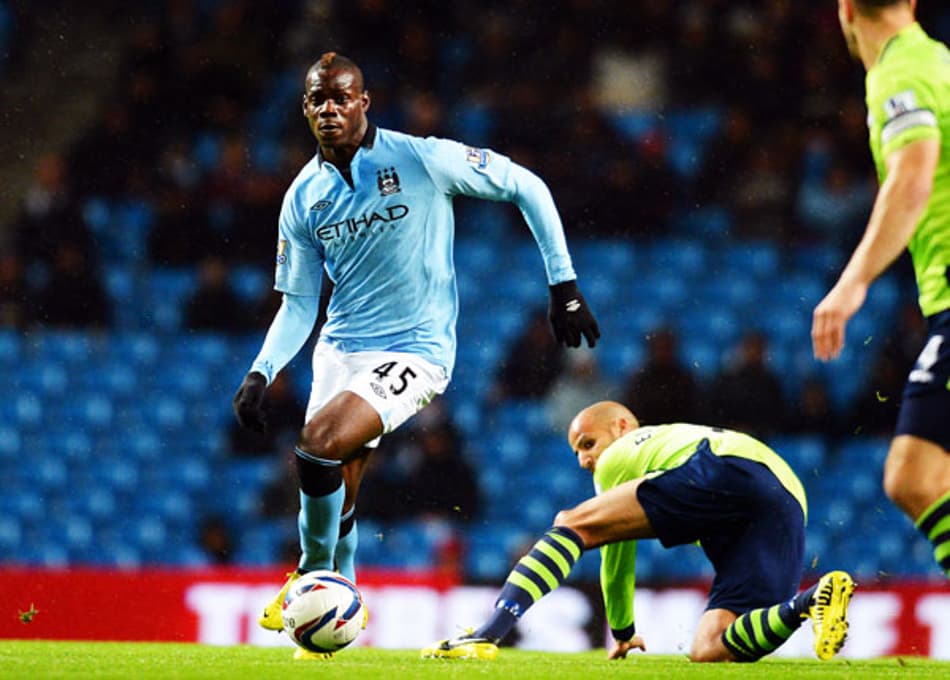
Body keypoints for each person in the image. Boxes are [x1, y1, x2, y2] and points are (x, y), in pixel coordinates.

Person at [230, 52, 600, 657]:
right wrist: (260, 371)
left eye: (341, 98)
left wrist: (563, 285)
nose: (330, 109)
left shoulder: (421, 157)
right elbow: (298, 304)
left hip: (417, 349)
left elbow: (525, 185)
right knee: (338, 477)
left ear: (363, 101)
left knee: (318, 443)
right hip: (339, 351)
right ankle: (334, 591)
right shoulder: (303, 197)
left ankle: (311, 572)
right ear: (305, 109)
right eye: (318, 100)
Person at [422, 401, 854, 663]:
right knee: (711, 646)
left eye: (587, 444)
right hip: (789, 499)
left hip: (722, 464)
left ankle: (487, 634)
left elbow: (615, 556)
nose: (584, 461)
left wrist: (624, 630)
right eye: (577, 452)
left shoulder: (628, 450)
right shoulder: (671, 440)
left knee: (570, 523)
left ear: (622, 427)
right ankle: (811, 600)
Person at [812, 0, 950, 578]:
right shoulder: (939, 61)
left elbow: (913, 176)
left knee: (912, 476)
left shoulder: (899, 71)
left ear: (845, 10)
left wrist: (853, 281)